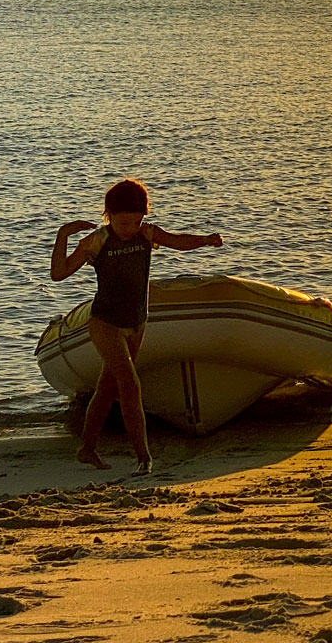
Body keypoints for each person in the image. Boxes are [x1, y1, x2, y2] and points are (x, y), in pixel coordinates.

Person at [50, 178, 223, 473]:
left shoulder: (146, 234)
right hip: (104, 322)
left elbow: (176, 241)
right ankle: (144, 456)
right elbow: (59, 273)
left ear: (143, 217)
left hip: (137, 323)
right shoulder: (98, 240)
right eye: (121, 223)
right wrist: (63, 234)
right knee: (129, 384)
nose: (128, 229)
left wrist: (204, 240)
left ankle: (87, 449)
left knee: (107, 388)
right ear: (109, 216)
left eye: (134, 222)